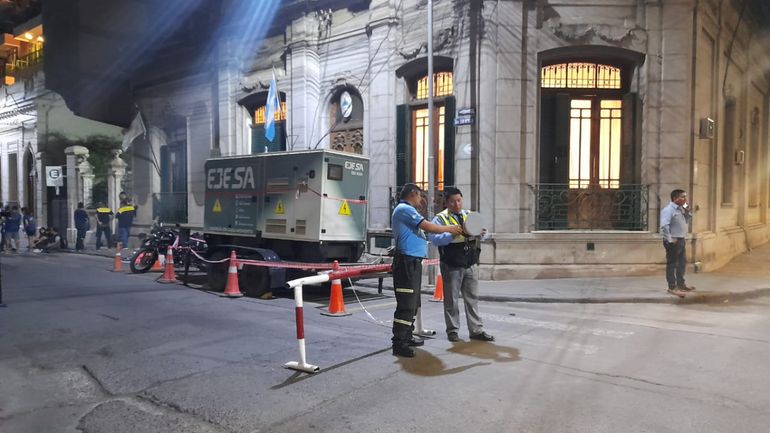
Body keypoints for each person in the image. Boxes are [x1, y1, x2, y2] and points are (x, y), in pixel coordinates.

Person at [391, 183, 463, 358]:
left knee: (413, 303)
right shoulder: (404, 209)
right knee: (406, 305)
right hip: (406, 262)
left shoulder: (407, 210)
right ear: (413, 194)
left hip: (412, 261)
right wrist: (450, 228)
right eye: (420, 196)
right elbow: (429, 227)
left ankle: (407, 336)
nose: (421, 200)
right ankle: (399, 343)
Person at [429, 187, 494, 343]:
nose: (456, 204)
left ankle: (476, 330)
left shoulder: (468, 215)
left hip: (470, 263)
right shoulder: (440, 219)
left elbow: (485, 236)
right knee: (451, 300)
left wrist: (483, 234)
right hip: (452, 264)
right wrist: (453, 233)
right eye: (452, 201)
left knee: (472, 298)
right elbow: (435, 240)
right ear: (446, 202)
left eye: (459, 200)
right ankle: (452, 331)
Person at [660, 189, 694, 296]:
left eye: (685, 196)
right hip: (673, 241)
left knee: (682, 263)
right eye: (683, 197)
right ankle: (672, 286)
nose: (685, 199)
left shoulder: (680, 209)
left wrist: (687, 211)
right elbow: (664, 225)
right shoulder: (668, 210)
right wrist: (670, 239)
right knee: (672, 264)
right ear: (675, 198)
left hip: (681, 239)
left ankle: (681, 284)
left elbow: (686, 221)